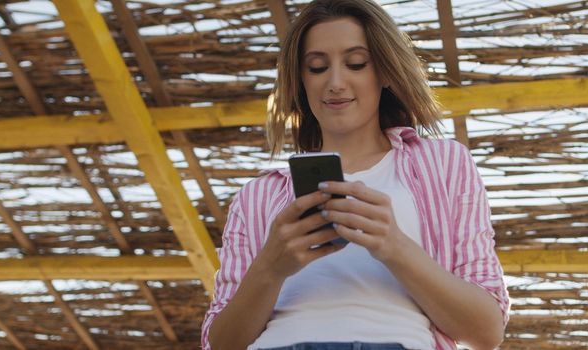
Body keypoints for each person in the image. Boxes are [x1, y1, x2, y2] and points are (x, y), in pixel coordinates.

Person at [201, 0, 510, 349]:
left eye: (356, 63)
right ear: (301, 81)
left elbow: (486, 330)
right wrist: (270, 269)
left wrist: (394, 246)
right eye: (316, 67)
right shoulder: (257, 197)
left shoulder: (443, 164)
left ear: (386, 71)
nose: (335, 82)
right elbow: (219, 343)